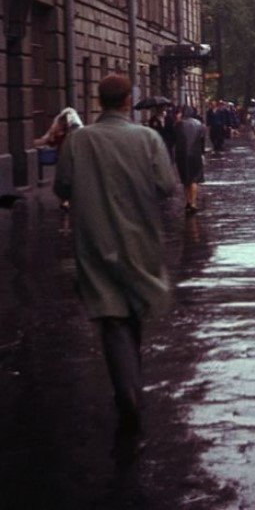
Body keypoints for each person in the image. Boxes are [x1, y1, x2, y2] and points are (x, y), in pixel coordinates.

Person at [53, 75, 175, 451]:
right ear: (127, 101)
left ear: (100, 100)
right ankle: (130, 387)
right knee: (131, 311)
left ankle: (128, 392)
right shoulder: (148, 138)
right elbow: (166, 187)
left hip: (96, 241)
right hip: (140, 239)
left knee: (112, 319)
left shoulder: (79, 140)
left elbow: (62, 187)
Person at [34, 107, 83, 210]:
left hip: (70, 159)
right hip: (65, 158)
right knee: (66, 179)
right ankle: (66, 200)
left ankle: (67, 200)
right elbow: (50, 140)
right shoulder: (63, 131)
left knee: (69, 179)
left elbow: (50, 140)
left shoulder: (74, 131)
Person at [174, 106, 207, 213]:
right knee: (194, 179)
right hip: (195, 154)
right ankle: (193, 202)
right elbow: (202, 140)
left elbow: (174, 138)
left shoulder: (179, 124)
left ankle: (188, 201)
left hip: (181, 154)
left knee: (185, 179)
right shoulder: (199, 124)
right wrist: (202, 153)